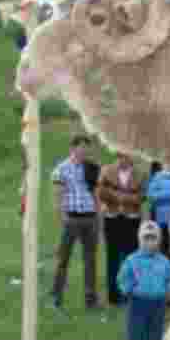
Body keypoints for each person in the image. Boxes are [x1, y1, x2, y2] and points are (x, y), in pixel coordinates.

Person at [116, 220, 170, 340]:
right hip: (137, 302)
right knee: (135, 331)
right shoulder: (132, 260)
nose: (149, 242)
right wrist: (128, 289)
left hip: (158, 302)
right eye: (146, 238)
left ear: (159, 240)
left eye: (153, 238)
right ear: (140, 239)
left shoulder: (164, 262)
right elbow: (123, 278)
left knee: (155, 332)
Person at [50, 134, 100, 313]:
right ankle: (56, 296)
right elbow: (58, 195)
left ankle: (91, 299)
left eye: (87, 148)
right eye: (81, 148)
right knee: (63, 259)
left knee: (90, 259)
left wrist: (98, 216)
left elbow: (95, 193)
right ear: (73, 148)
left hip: (90, 217)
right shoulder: (61, 169)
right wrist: (62, 216)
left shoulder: (92, 168)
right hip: (71, 217)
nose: (84, 152)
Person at [95, 152, 145, 308]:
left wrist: (125, 198)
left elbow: (142, 196)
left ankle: (130, 293)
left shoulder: (141, 174)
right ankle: (114, 296)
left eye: (127, 156)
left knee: (131, 257)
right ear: (117, 156)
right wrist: (119, 197)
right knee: (113, 257)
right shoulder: (106, 171)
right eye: (121, 156)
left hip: (132, 219)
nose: (123, 160)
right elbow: (101, 192)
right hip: (112, 219)